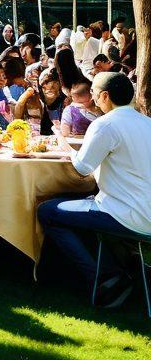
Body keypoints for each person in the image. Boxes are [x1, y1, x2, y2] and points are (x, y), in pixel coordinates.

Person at [39, 73, 151, 306]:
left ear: (105, 96)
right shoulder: (147, 122)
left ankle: (103, 278)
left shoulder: (105, 124)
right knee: (77, 202)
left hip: (127, 214)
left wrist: (66, 146)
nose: (92, 98)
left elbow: (81, 168)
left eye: (93, 94)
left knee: (47, 211)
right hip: (143, 211)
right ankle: (117, 267)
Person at [15, 67, 66, 134]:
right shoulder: (34, 98)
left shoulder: (66, 100)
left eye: (54, 84)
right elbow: (19, 106)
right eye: (45, 85)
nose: (50, 87)